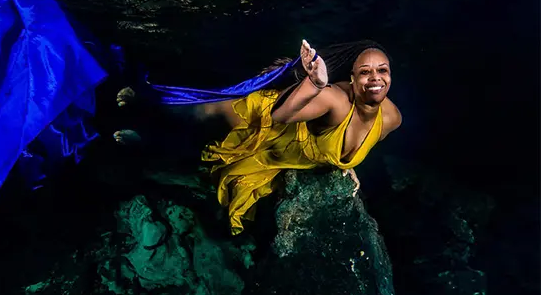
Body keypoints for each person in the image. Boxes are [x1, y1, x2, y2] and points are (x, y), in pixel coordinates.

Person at [115, 38, 401, 235]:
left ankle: (144, 141)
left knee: (203, 160)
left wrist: (347, 164)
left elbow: (363, 137)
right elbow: (280, 116)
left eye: (382, 70)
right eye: (365, 72)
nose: (375, 78)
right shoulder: (336, 102)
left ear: (390, 75)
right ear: (352, 79)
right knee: (204, 114)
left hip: (279, 153)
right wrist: (314, 83)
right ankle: (147, 99)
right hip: (269, 122)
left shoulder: (391, 119)